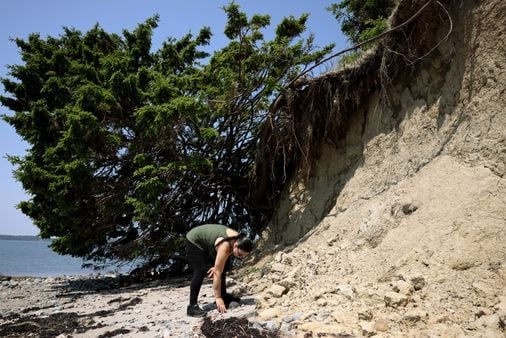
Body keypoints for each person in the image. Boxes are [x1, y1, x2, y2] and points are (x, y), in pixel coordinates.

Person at [185, 223, 254, 317]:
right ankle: (192, 307)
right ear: (236, 245)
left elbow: (219, 267)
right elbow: (217, 273)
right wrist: (218, 297)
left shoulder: (238, 239)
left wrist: (217, 266)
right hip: (194, 240)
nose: (239, 258)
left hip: (208, 243)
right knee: (200, 271)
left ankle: (224, 295)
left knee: (223, 267)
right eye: (239, 255)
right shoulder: (225, 246)